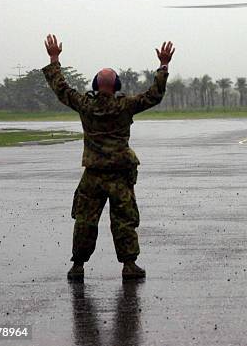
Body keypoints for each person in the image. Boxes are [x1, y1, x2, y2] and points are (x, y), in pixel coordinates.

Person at [42, 34, 175, 281]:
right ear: (116, 86)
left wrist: (54, 58)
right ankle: (129, 265)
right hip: (119, 174)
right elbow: (154, 95)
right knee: (124, 219)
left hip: (93, 174)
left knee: (85, 220)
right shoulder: (125, 105)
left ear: (95, 84)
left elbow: (61, 88)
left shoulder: (85, 104)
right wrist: (163, 66)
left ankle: (78, 266)